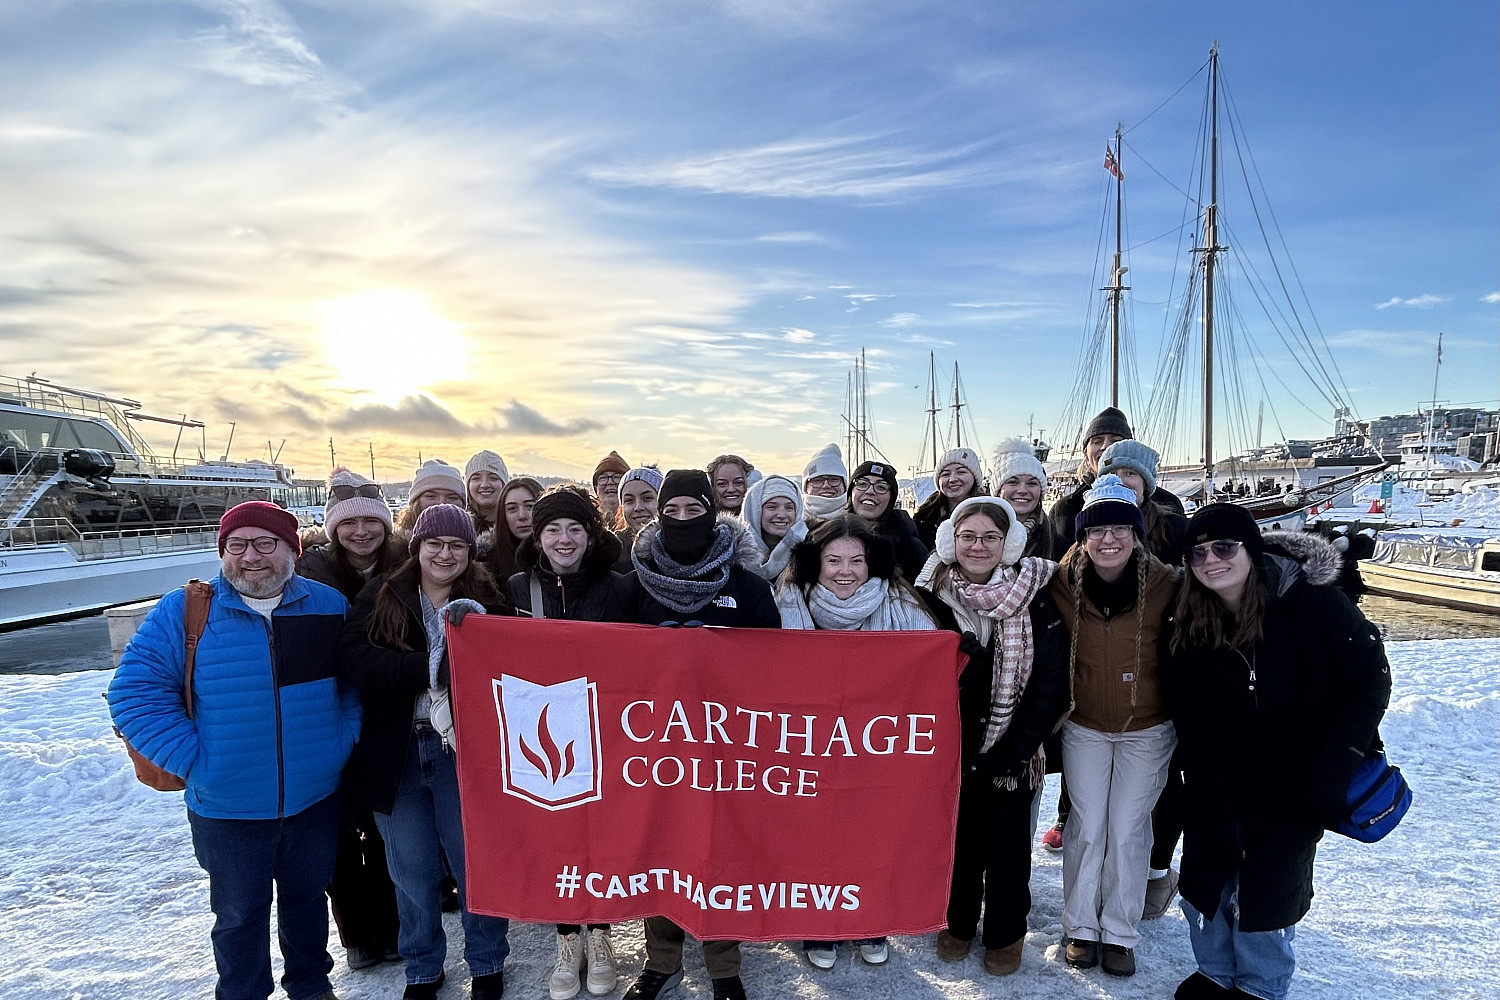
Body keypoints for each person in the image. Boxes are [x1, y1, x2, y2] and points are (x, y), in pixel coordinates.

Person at [108, 501, 359, 1000]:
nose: (251, 557)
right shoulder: (186, 611)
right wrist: (195, 761)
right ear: (223, 552)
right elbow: (133, 693)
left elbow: (352, 682)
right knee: (239, 913)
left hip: (315, 797)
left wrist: (343, 738)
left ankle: (310, 984)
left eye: (266, 544)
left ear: (292, 550)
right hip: (228, 806)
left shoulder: (328, 606)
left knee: (307, 900)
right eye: (237, 545)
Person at [1165, 506, 1391, 1000]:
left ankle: (1260, 986)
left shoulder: (1313, 603)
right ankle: (1215, 971)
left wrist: (1335, 768)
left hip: (1295, 775)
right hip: (1218, 777)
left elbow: (1370, 682)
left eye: (1224, 547)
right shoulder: (1189, 613)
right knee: (1208, 881)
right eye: (1198, 552)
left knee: (1269, 890)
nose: (1211, 560)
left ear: (1252, 549)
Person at [338, 504, 511, 1000]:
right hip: (398, 754)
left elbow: (506, 665)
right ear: (417, 547)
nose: (445, 554)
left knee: (473, 862)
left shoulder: (484, 596)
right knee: (410, 870)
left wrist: (475, 635)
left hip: (465, 751)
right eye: (434, 543)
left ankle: (487, 960)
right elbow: (354, 660)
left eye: (457, 546)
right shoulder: (383, 594)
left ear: (469, 553)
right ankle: (422, 965)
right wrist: (429, 667)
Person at [620, 469, 778, 1000]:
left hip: (727, 745)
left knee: (720, 855)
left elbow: (780, 668)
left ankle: (724, 964)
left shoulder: (747, 586)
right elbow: (605, 656)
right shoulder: (635, 582)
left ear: (713, 513)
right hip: (655, 746)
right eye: (672, 511)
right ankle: (661, 959)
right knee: (661, 852)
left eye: (694, 510)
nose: (683, 520)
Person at [914, 498, 1068, 977]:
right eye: (968, 537)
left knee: (1008, 849)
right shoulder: (929, 593)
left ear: (1008, 544)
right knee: (958, 843)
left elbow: (1049, 682)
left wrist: (1017, 750)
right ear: (950, 541)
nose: (978, 546)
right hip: (951, 743)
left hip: (1014, 745)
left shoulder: (1037, 593)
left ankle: (1006, 933)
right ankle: (956, 923)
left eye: (989, 537)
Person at [776, 514, 935, 970]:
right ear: (816, 563)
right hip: (805, 743)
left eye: (856, 560)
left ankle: (868, 918)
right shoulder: (788, 600)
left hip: (875, 744)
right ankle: (815, 922)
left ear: (872, 564)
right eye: (834, 560)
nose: (845, 570)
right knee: (809, 835)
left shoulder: (899, 602)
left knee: (869, 833)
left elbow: (923, 666)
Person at [1049, 475, 1181, 979]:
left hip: (1147, 726)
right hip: (1085, 723)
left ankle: (1121, 933)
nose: (1108, 540)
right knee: (1088, 824)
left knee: (1128, 827)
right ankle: (1081, 926)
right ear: (1082, 536)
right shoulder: (1062, 580)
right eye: (1097, 530)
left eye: (1120, 529)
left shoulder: (1168, 583)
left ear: (1137, 533)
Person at [505, 487, 630, 997]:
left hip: (607, 731)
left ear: (590, 534)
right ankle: (566, 939)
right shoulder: (517, 587)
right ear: (538, 537)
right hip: (543, 733)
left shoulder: (620, 587)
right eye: (553, 529)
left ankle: (599, 935)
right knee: (553, 834)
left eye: (574, 528)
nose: (564, 539)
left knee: (600, 838)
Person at [296, 470, 403, 972]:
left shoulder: (403, 564)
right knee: (338, 829)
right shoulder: (311, 570)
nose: (361, 531)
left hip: (386, 706)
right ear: (334, 528)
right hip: (327, 707)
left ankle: (394, 928)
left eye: (371, 521)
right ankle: (357, 934)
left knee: (385, 823)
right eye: (350, 522)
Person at [1049, 407, 1184, 544]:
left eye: (1115, 441)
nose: (1105, 447)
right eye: (1097, 441)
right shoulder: (1065, 509)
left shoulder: (1168, 504)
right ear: (1086, 453)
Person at [1099, 439, 1187, 566]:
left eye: (1130, 473)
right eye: (1112, 474)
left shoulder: (1174, 529)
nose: (1120, 481)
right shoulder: (1089, 525)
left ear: (1145, 484)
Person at [846, 460, 929, 582]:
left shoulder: (910, 546)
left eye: (881, 487)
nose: (870, 491)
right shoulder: (832, 536)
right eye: (862, 484)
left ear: (891, 500)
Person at [992, 438, 1066, 561]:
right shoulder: (978, 538)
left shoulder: (1059, 545)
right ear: (998, 490)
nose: (1022, 490)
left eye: (1032, 484)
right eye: (1013, 482)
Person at [912, 447, 986, 550]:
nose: (952, 479)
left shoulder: (989, 513)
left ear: (974, 477)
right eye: (946, 474)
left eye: (961, 472)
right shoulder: (925, 516)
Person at [738, 474, 808, 582]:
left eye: (789, 508)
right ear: (755, 511)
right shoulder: (731, 554)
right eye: (772, 507)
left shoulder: (811, 552)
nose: (781, 515)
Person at [482, 475, 544, 589]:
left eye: (530, 506)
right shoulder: (487, 568)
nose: (522, 516)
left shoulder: (560, 558)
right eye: (512, 509)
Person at [395, 460, 467, 535]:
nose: (441, 503)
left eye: (452, 498)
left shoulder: (476, 543)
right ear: (416, 502)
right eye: (431, 496)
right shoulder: (393, 545)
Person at [613, 466, 663, 574]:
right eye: (629, 500)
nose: (638, 507)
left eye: (647, 498)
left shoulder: (677, 545)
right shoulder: (613, 553)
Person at [801, 443, 849, 524]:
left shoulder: (860, 521)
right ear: (805, 487)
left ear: (844, 486)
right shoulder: (791, 522)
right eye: (818, 480)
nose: (826, 485)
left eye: (834, 479)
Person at [464, 450, 511, 531]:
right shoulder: (460, 524)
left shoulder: (517, 523)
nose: (484, 485)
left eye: (493, 478)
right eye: (476, 478)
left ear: (504, 484)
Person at [592, 451, 631, 526]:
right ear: (596, 489)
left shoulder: (639, 521)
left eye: (617, 477)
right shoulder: (587, 522)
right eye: (603, 478)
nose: (610, 482)